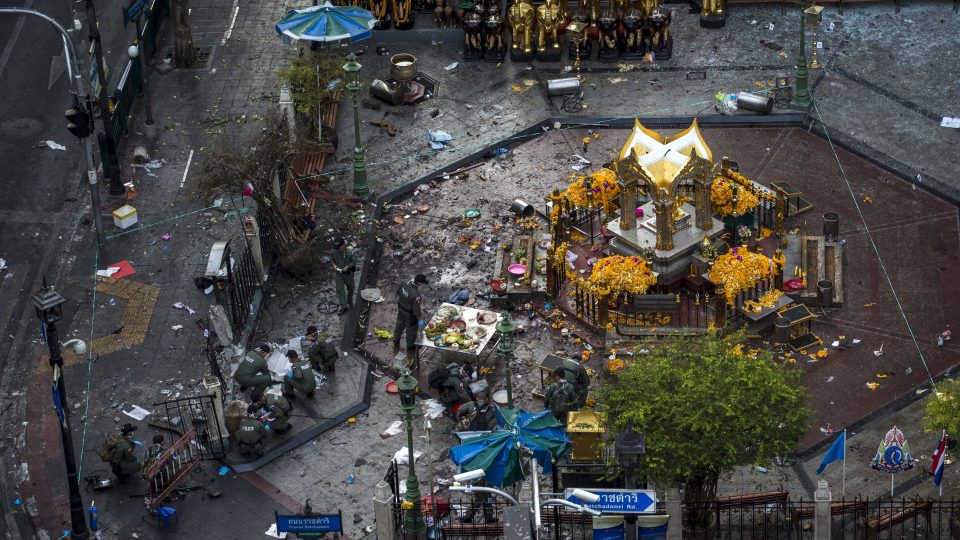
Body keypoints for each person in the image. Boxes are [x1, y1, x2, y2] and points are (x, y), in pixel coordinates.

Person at [394, 274, 429, 365]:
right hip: (410, 314)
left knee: (399, 324)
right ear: (419, 283)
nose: (421, 285)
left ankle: (396, 339)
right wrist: (419, 319)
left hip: (401, 308)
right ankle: (410, 346)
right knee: (411, 330)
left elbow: (398, 292)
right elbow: (416, 310)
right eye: (422, 284)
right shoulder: (416, 295)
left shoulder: (404, 283)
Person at [331, 237, 356, 315]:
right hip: (339, 274)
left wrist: (348, 266)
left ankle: (349, 298)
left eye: (339, 247)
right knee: (339, 290)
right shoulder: (333, 251)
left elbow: (354, 262)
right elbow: (331, 260)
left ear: (343, 245)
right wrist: (334, 265)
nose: (338, 249)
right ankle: (344, 307)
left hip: (348, 274)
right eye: (337, 248)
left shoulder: (350, 251)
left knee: (351, 287)